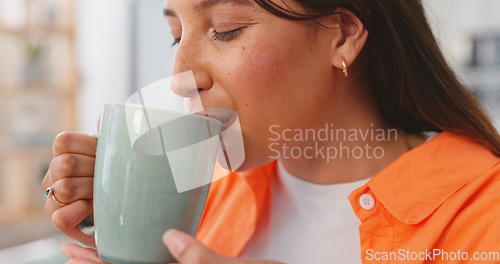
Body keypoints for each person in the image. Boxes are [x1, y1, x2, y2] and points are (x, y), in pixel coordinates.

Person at [42, 0, 500, 263]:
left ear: (342, 35)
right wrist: (121, 207)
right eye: (176, 35)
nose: (181, 74)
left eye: (226, 30)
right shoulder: (202, 193)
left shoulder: (485, 210)